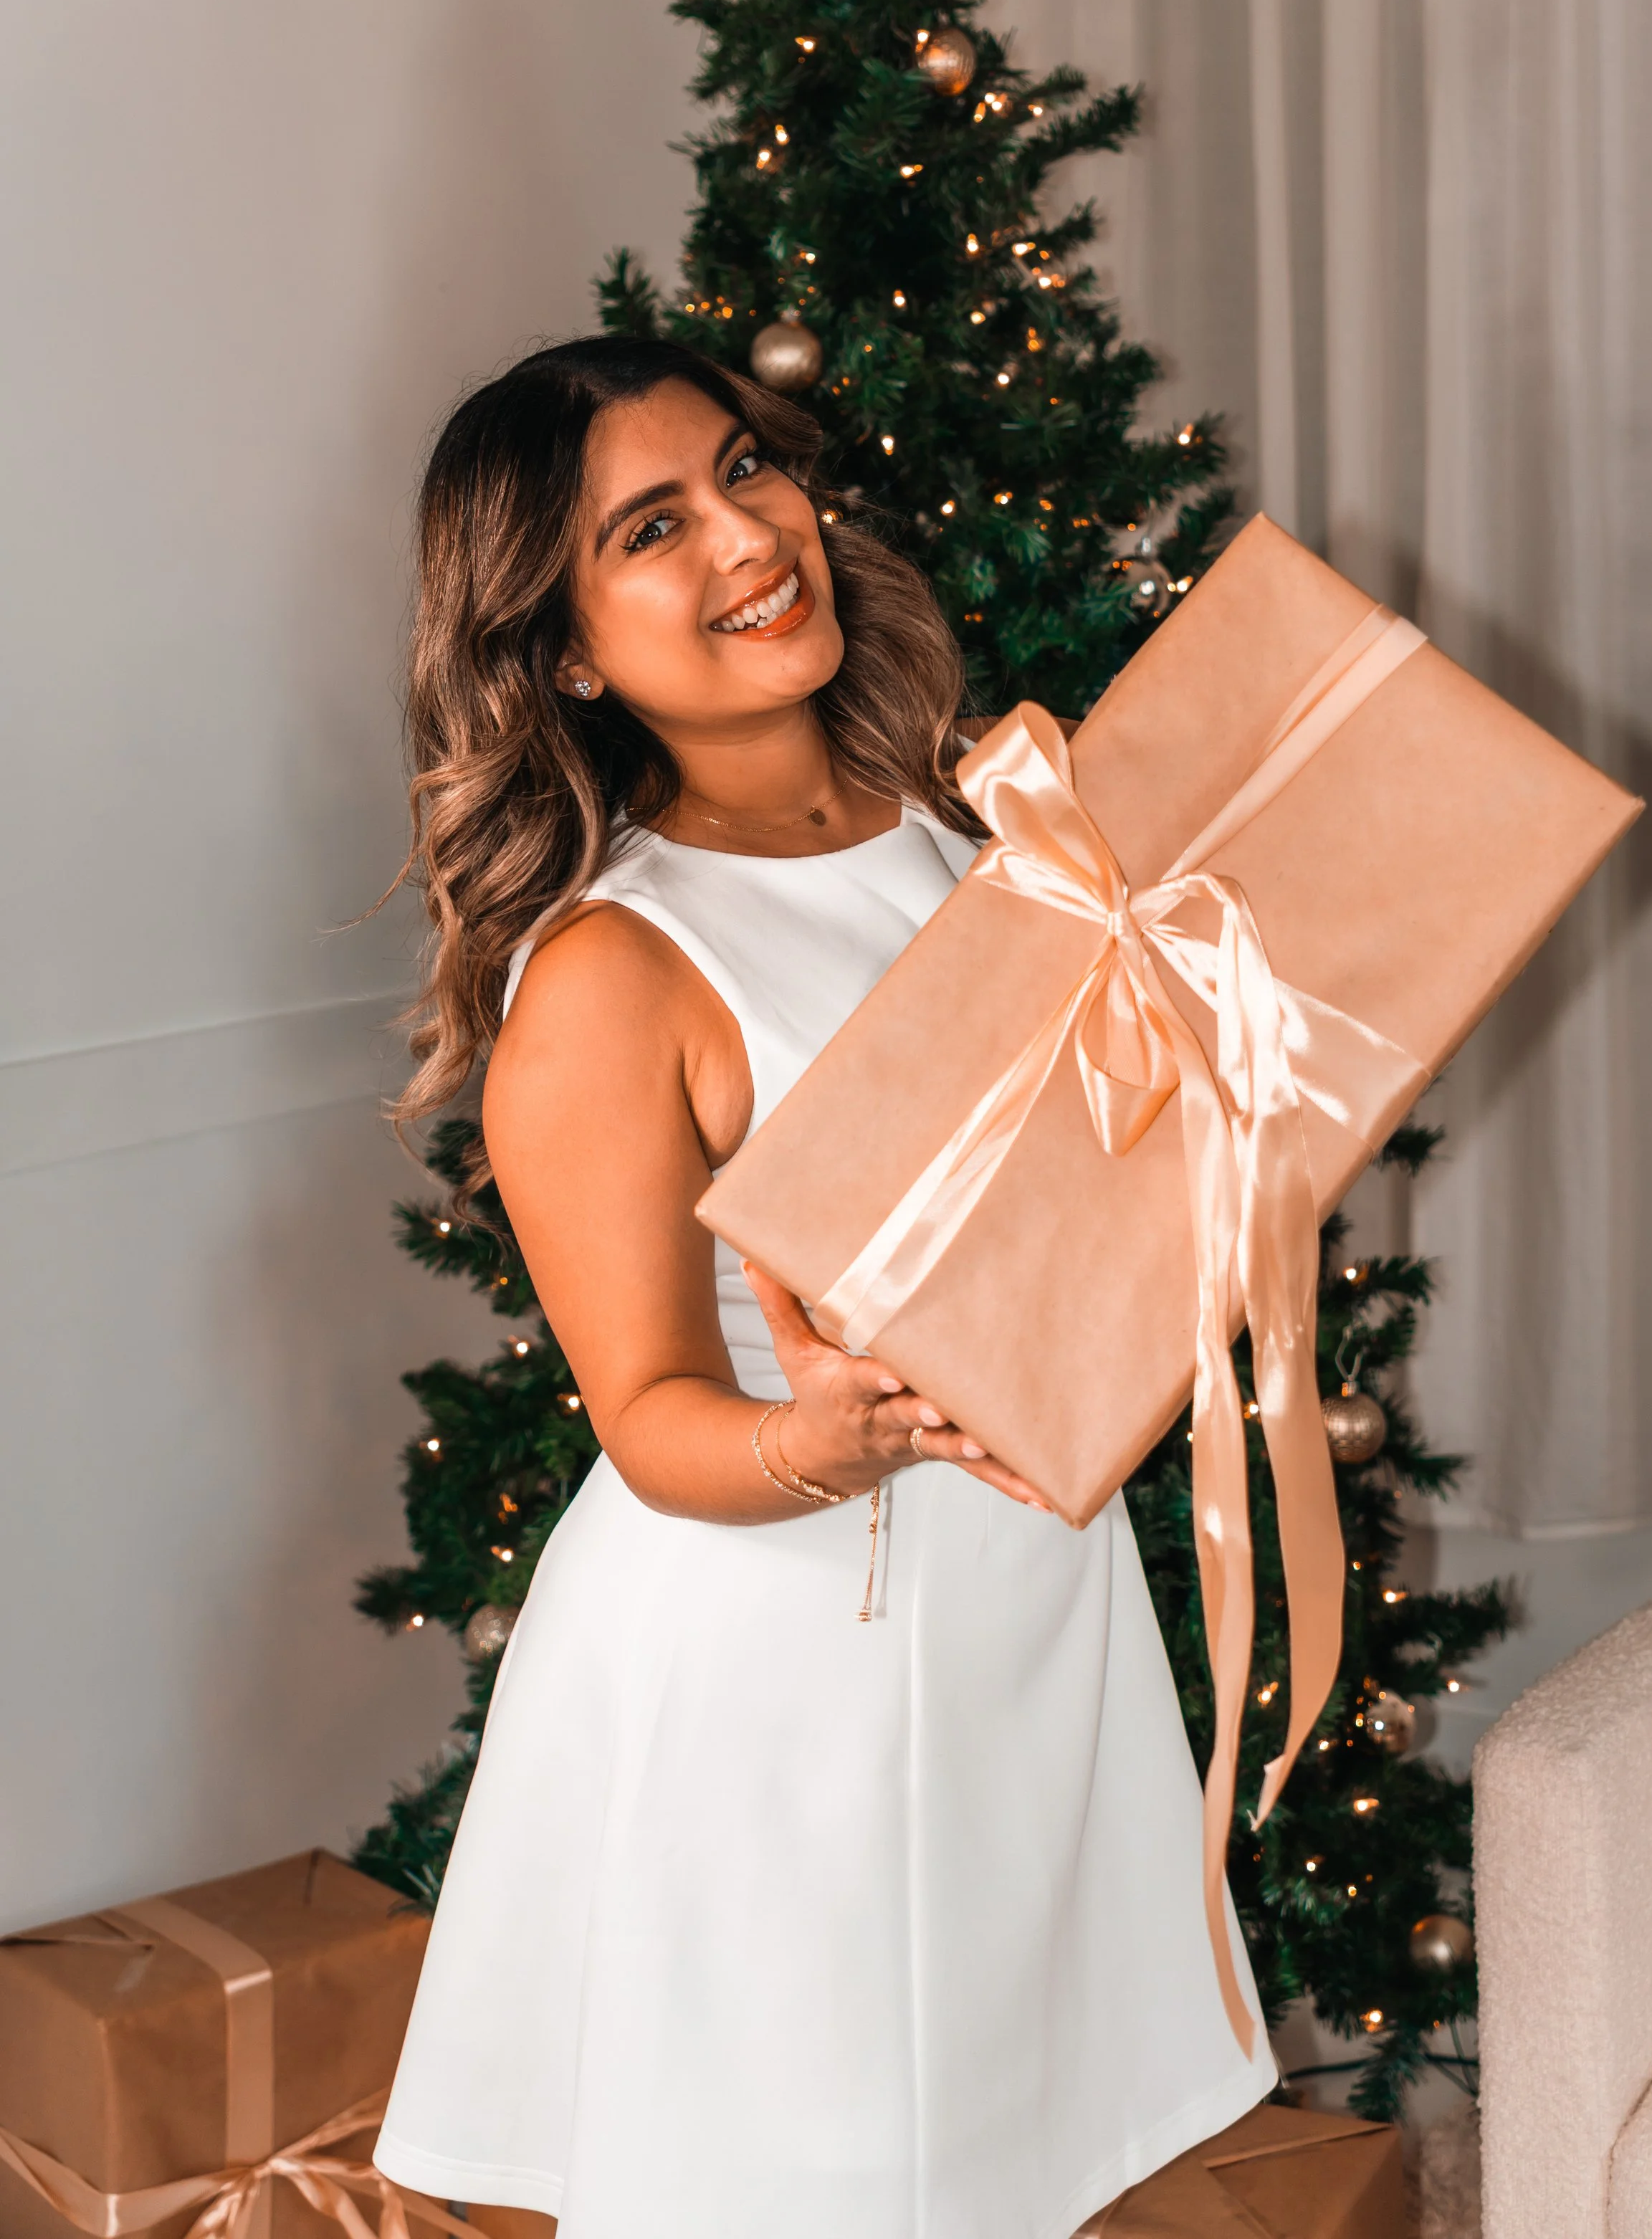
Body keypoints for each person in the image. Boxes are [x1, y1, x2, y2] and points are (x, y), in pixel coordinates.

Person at [371, 337, 1276, 2239]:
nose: (746, 533)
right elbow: (646, 1421)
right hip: (798, 1677)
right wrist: (822, 1430)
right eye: (650, 526)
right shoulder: (616, 972)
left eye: (742, 471)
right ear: (563, 651)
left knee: (1009, 2167)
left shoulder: (983, 835)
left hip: (1023, 1605)